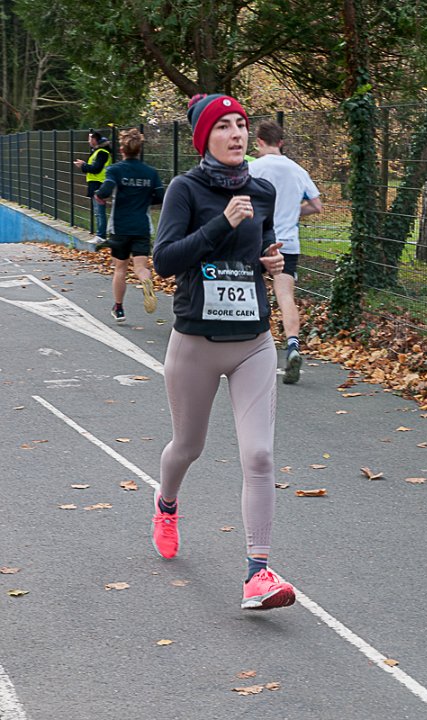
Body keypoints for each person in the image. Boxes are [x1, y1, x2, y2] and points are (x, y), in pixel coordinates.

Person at [151, 93, 295, 611]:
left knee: (259, 455)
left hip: (253, 342)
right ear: (204, 138)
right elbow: (165, 260)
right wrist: (222, 224)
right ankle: (167, 503)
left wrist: (270, 262)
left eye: (241, 124)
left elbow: (263, 248)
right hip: (196, 343)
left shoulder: (261, 190)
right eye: (224, 126)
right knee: (187, 447)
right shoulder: (185, 189)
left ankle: (258, 573)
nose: (236, 133)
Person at [249, 120, 322, 384]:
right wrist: (292, 212)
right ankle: (292, 346)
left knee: (250, 290)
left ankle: (249, 348)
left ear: (259, 141)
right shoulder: (297, 170)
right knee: (285, 296)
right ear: (281, 142)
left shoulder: (253, 168)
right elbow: (316, 205)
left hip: (256, 239)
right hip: (287, 244)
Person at [94, 128, 164, 322]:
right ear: (139, 150)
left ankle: (119, 309)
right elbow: (160, 196)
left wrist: (99, 195)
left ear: (122, 150)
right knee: (140, 267)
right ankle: (146, 280)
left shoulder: (115, 170)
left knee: (120, 269)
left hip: (120, 228)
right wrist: (144, 200)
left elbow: (106, 189)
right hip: (142, 227)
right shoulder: (150, 172)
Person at [73, 130, 112, 242]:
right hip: (96, 184)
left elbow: (96, 169)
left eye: (90, 138)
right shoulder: (97, 152)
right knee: (97, 211)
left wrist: (83, 165)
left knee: (99, 211)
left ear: (95, 140)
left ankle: (101, 236)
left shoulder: (102, 152)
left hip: (99, 184)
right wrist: (84, 165)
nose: (88, 141)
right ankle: (100, 235)